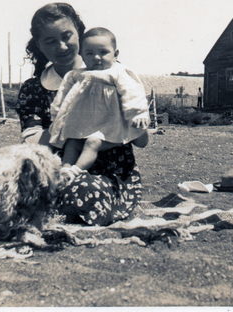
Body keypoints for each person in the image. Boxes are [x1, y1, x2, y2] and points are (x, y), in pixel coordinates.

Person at [15, 3, 147, 226]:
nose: (62, 46)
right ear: (39, 45)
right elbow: (36, 145)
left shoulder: (114, 76)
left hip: (112, 175)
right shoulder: (34, 89)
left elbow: (142, 139)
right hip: (57, 171)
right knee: (15, 189)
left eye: (67, 36)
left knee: (83, 190)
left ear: (80, 33)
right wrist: (70, 123)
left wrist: (116, 125)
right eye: (50, 41)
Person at [48, 27, 150, 179]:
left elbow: (132, 92)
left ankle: (76, 171)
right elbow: (62, 97)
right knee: (71, 142)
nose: (96, 57)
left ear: (115, 54)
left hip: (108, 124)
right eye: (89, 53)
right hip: (81, 123)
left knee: (93, 142)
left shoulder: (118, 72)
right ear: (81, 55)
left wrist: (138, 113)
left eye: (103, 52)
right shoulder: (75, 75)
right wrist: (56, 117)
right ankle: (65, 169)